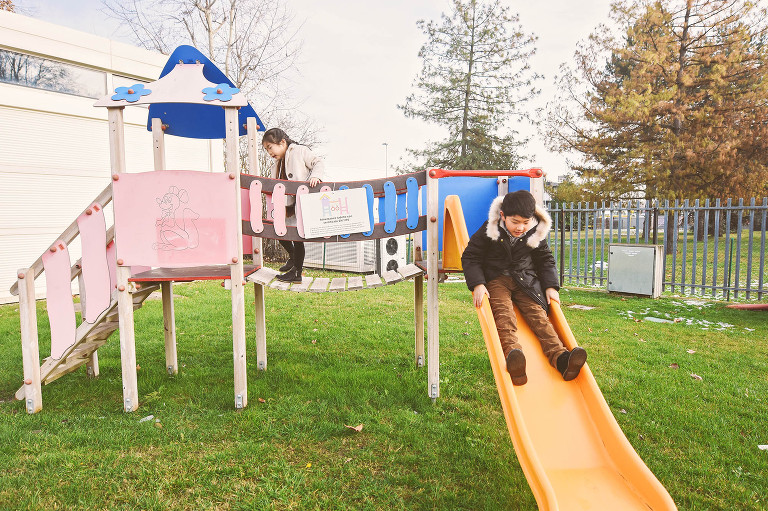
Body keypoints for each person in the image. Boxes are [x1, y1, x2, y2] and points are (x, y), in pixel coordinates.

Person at [461, 190, 587, 385]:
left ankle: (561, 359)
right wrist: (478, 283)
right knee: (504, 317)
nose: (520, 227)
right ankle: (514, 357)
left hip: (525, 281)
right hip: (496, 280)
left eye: (525, 222)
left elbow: (545, 260)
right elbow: (471, 256)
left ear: (532, 218)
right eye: (515, 221)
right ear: (502, 215)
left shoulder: (535, 232)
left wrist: (551, 286)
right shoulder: (490, 228)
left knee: (539, 317)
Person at [262, 127, 326, 283]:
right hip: (286, 205)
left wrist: (316, 176)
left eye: (270, 147)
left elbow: (318, 162)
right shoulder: (276, 164)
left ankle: (297, 272)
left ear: (282, 142)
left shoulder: (299, 151)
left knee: (297, 237)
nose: (269, 152)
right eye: (266, 150)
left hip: (300, 203)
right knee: (278, 230)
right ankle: (292, 257)